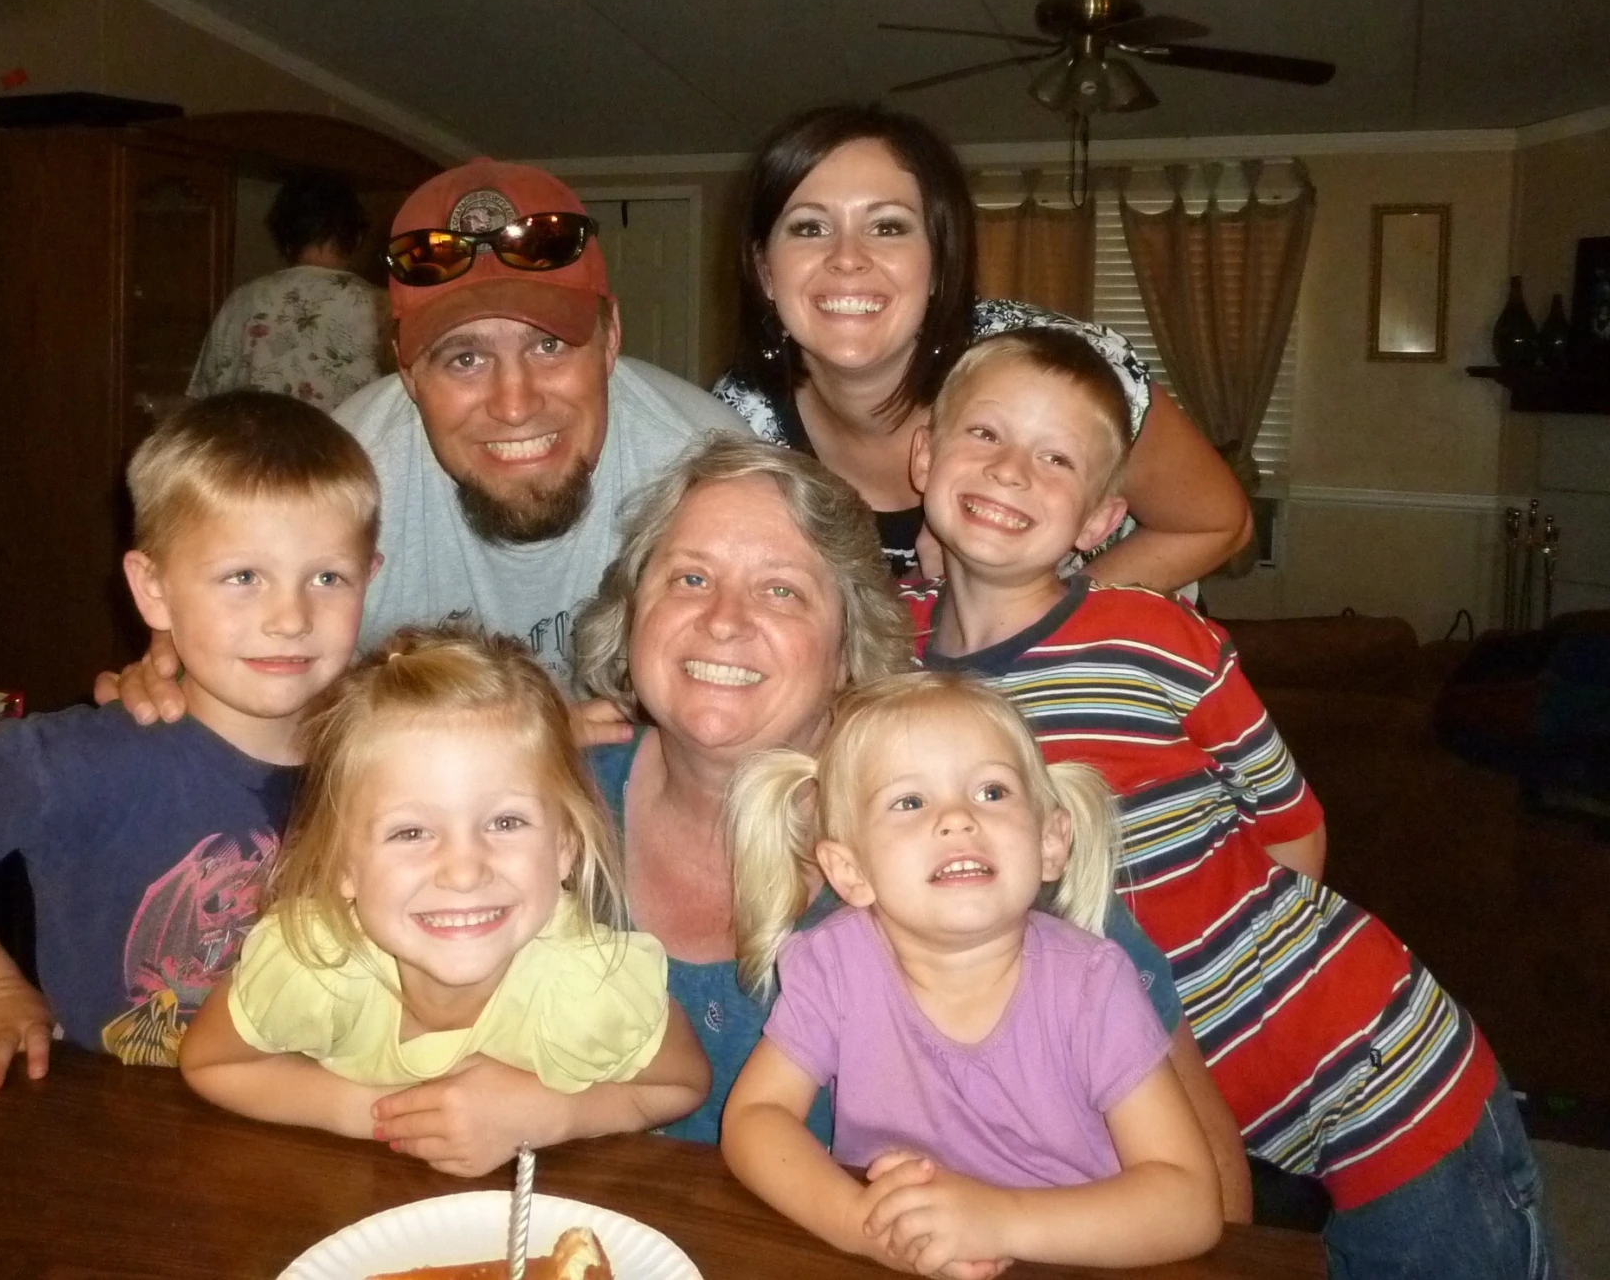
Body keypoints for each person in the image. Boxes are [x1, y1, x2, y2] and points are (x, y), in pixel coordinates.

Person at [904, 325, 1559, 1279]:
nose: (1011, 473)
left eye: (1056, 459)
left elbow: (1296, 828)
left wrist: (1230, 984)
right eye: (986, 436)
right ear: (925, 454)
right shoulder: (894, 659)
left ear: (1099, 520)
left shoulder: (1157, 641)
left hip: (1388, 1073)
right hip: (1211, 1107)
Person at [570, 438, 1252, 1227]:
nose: (724, 621)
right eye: (690, 578)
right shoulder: (541, 813)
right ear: (632, 614)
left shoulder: (981, 843)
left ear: (849, 648)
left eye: (782, 591)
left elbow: (1217, 1204)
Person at [0, 391, 379, 1088]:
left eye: (328, 578)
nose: (291, 617)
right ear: (153, 591)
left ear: (371, 580)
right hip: (122, 1119)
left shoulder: (393, 754)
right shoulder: (80, 763)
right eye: (243, 577)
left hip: (319, 1114)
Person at [110, 158, 744, 707]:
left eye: (550, 346)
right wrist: (182, 676)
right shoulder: (348, 481)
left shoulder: (712, 469)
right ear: (407, 371)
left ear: (610, 342)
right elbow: (273, 700)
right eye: (464, 359)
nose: (515, 405)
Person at [721, 670, 1221, 1274]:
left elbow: (1191, 1203)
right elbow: (754, 1120)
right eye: (910, 802)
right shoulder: (835, 966)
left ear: (1050, 842)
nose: (957, 819)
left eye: (992, 792)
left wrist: (998, 1221)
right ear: (849, 870)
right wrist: (862, 1227)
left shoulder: (1092, 986)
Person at [178, 628, 709, 1175]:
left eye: (506, 822)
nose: (463, 870)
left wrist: (555, 1116)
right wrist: (376, 1114)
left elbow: (681, 1082)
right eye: (410, 832)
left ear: (564, 848)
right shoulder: (314, 963)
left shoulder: (590, 987)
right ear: (343, 865)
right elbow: (213, 1061)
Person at [714, 101, 1252, 582]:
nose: (847, 257)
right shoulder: (737, 426)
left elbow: (1216, 524)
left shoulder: (1064, 369)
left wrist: (1037, 628)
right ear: (765, 270)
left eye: (888, 227)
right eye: (809, 228)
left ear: (940, 261)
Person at [187, 169, 388, 410]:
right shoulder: (382, 305)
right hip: (344, 446)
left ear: (284, 237)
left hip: (252, 445)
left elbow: (205, 400)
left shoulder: (243, 300)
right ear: (356, 237)